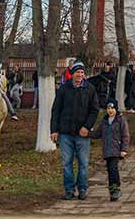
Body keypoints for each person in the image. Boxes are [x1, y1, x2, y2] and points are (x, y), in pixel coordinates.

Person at [51, 61, 100, 200]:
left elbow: (94, 110)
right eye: (77, 72)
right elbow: (56, 110)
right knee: (66, 163)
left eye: (82, 72)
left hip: (82, 134)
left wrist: (87, 126)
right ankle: (69, 189)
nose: (80, 75)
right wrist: (54, 130)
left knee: (83, 163)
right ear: (72, 74)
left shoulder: (90, 89)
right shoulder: (64, 89)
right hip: (65, 133)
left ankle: (83, 188)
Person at [91, 99, 130, 202]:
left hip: (116, 150)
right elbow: (98, 133)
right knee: (109, 170)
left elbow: (125, 136)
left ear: (116, 109)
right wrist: (88, 133)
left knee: (113, 169)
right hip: (107, 150)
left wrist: (124, 149)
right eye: (108, 108)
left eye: (112, 108)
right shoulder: (104, 121)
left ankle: (116, 188)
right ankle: (112, 190)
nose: (110, 110)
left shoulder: (121, 120)